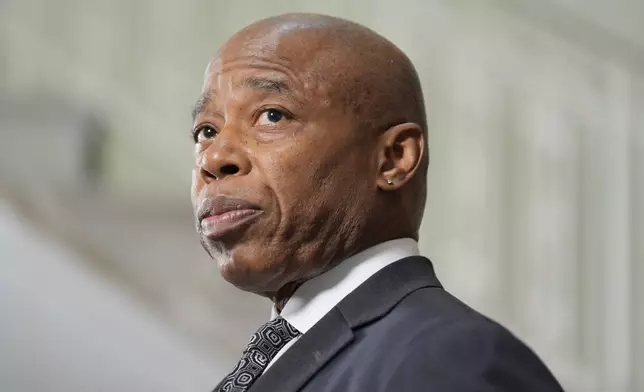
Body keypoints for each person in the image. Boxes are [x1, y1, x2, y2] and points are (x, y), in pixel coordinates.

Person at [190, 13, 563, 392]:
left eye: (272, 115)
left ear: (393, 159)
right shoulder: (312, 354)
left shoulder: (450, 358)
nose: (213, 157)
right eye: (206, 130)